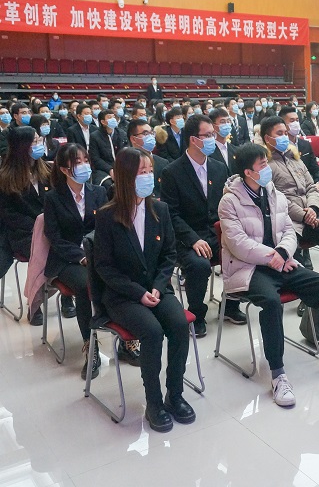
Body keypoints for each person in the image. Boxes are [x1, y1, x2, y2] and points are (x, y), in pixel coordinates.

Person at [218, 144, 319, 407]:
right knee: (271, 302)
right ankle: (278, 375)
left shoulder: (273, 192)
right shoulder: (229, 201)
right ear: (248, 172)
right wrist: (273, 257)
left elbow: (288, 229)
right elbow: (238, 244)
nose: (267, 169)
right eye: (262, 165)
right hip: (248, 268)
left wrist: (283, 252)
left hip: (281, 261)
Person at [93, 147, 193, 433]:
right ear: (126, 177)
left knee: (178, 325)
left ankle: (175, 394)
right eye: (142, 172)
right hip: (123, 295)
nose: (149, 176)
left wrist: (159, 287)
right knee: (152, 331)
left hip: (156, 288)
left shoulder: (159, 209)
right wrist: (138, 293)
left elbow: (169, 255)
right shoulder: (107, 216)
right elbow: (104, 267)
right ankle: (154, 402)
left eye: (150, 171)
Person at [44, 144, 135, 379]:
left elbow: (105, 229)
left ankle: (127, 341)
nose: (85, 166)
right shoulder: (53, 198)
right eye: (78, 162)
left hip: (96, 253)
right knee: (87, 286)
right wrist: (80, 255)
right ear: (64, 169)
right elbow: (54, 237)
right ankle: (90, 348)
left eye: (86, 160)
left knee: (122, 277)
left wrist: (97, 253)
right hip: (67, 259)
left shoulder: (98, 192)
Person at [160, 114, 245, 337]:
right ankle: (197, 313)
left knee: (241, 252)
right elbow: (171, 214)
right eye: (207, 135)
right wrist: (193, 239)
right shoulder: (172, 172)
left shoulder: (219, 167)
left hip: (217, 231)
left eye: (212, 134)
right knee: (199, 265)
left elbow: (228, 203)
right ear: (193, 140)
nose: (212, 139)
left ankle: (231, 304)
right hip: (187, 236)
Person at [0, 126, 52, 324]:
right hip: (22, 232)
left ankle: (66, 296)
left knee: (67, 248)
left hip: (50, 228)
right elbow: (8, 214)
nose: (40, 144)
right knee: (46, 252)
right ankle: (35, 303)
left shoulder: (47, 170)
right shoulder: (6, 177)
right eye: (35, 141)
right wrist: (37, 226)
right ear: (23, 146)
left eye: (39, 140)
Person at [261, 116, 319, 264]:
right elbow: (276, 199)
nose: (285, 137)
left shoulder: (295, 158)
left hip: (311, 218)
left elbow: (311, 187)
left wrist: (313, 208)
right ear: (267, 138)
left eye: (286, 133)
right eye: (279, 133)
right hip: (289, 224)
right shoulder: (265, 165)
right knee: (294, 263)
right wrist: (304, 216)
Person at [280, 106, 319, 208]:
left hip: (310, 185)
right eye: (292, 121)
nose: (296, 123)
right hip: (294, 191)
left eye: (297, 120)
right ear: (283, 125)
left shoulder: (305, 144)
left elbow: (316, 169)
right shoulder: (281, 147)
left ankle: (314, 211)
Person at [127, 119, 169, 199]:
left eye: (152, 133)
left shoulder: (163, 163)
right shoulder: (125, 162)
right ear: (133, 139)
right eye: (145, 134)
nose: (150, 137)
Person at [90, 109, 125, 187]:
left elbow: (126, 152)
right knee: (108, 184)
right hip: (103, 169)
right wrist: (110, 169)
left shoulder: (121, 133)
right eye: (109, 117)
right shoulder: (95, 136)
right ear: (103, 122)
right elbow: (95, 158)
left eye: (113, 117)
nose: (113, 119)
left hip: (121, 166)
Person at [207, 107, 238, 175]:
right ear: (213, 126)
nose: (226, 124)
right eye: (222, 122)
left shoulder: (235, 150)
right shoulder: (208, 151)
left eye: (228, 121)